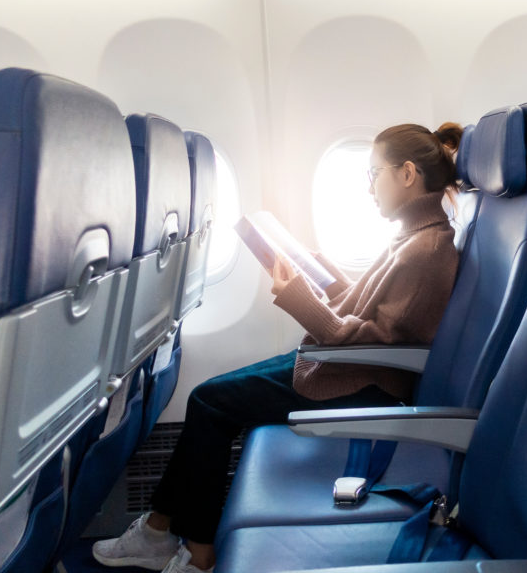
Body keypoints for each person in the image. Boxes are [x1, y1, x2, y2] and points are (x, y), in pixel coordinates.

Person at [92, 123, 462, 573]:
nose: (369, 189)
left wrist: (296, 297)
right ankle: (157, 529)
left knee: (209, 402)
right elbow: (369, 312)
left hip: (366, 379)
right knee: (211, 398)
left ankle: (198, 551)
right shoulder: (411, 235)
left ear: (407, 174)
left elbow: (374, 340)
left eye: (373, 174)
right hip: (348, 363)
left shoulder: (426, 249)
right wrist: (313, 270)